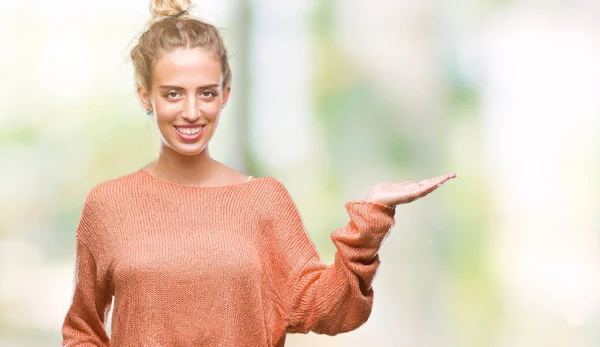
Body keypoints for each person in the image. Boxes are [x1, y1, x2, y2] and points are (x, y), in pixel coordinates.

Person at [60, 0, 457, 346]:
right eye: (173, 93)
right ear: (145, 95)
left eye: (207, 92)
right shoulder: (108, 205)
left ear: (226, 95)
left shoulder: (264, 200)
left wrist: (370, 222)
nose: (192, 112)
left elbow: (328, 311)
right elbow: (83, 330)